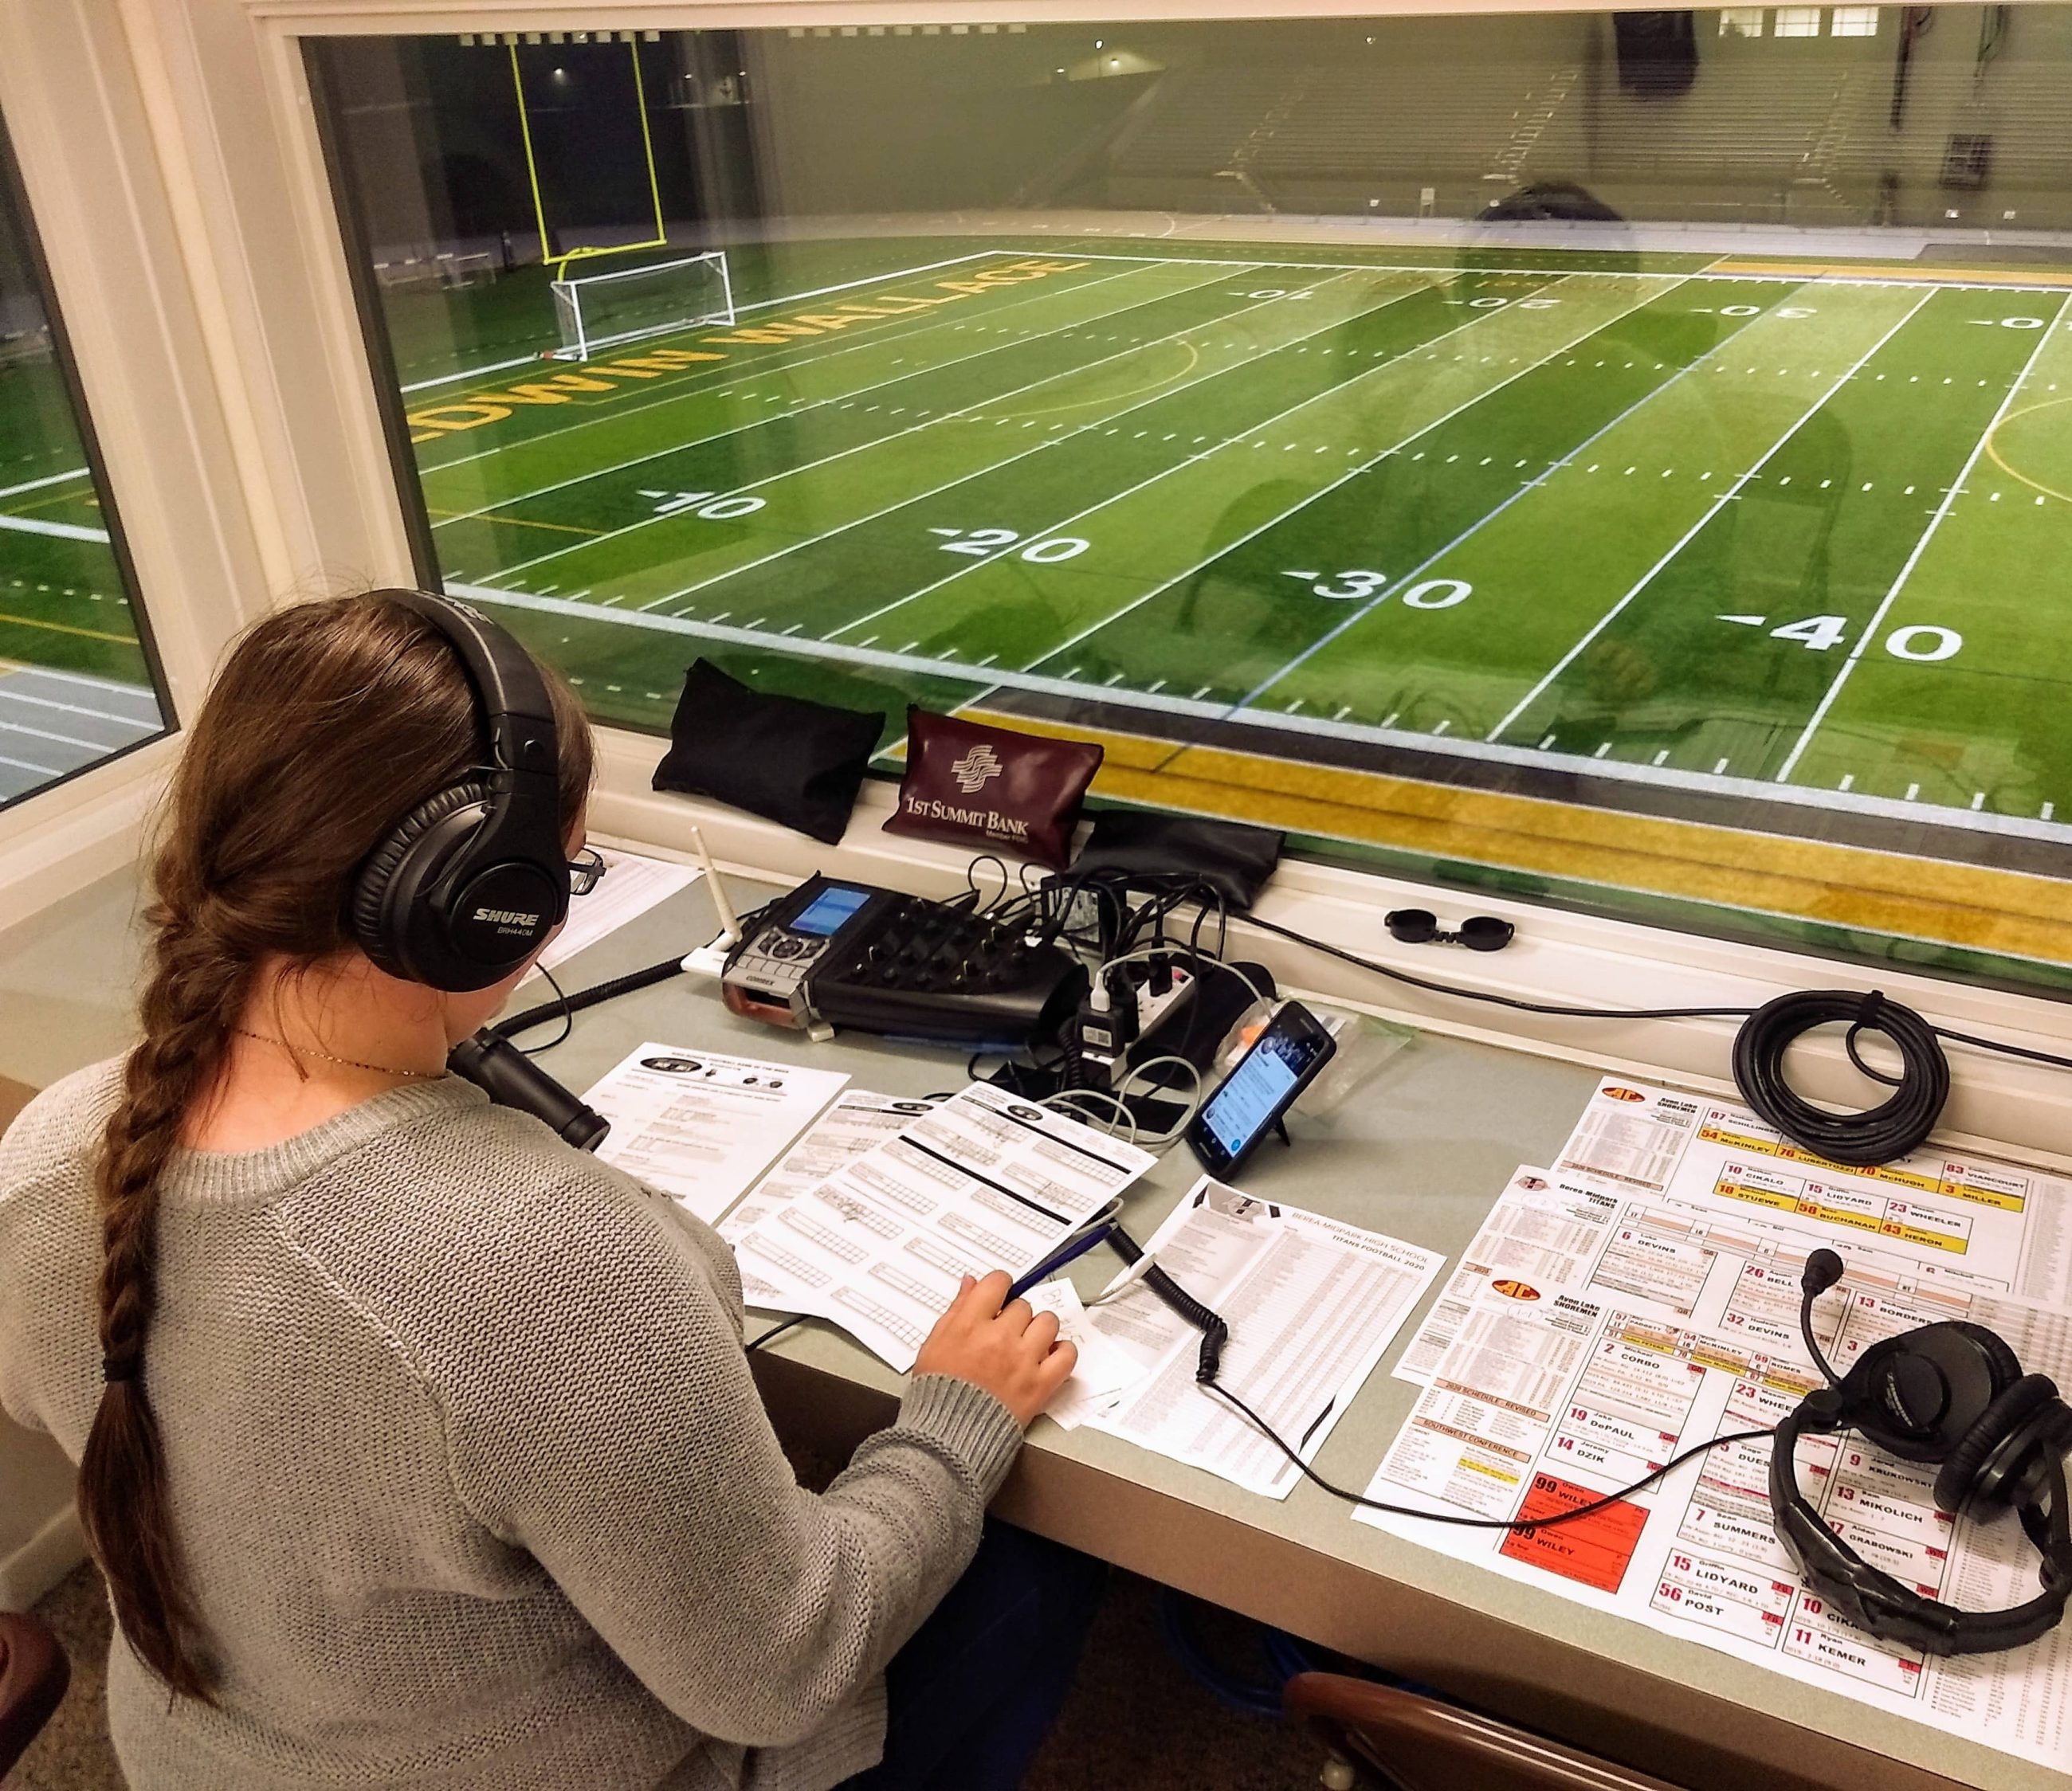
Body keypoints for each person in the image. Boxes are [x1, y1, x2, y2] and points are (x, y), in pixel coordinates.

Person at [0, 590, 1105, 1790]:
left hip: (200, 1762)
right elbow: (780, 1669)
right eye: (563, 874)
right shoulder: (553, 1264)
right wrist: (949, 1425)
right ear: (484, 903)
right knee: (1047, 1567)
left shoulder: (51, 1145)